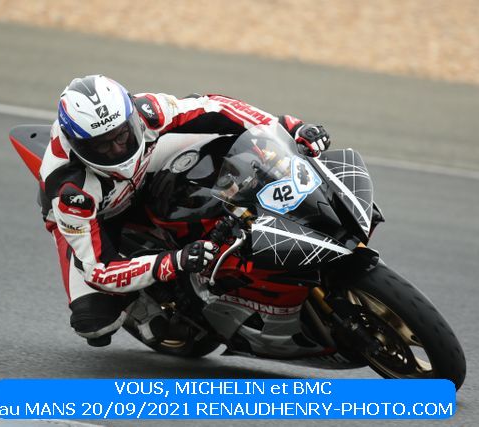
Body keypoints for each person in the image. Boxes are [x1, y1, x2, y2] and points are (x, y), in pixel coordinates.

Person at [40, 74, 330, 347]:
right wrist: (174, 261)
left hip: (146, 166)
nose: (117, 149)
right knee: (94, 323)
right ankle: (142, 307)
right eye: (102, 145)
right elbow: (99, 271)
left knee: (224, 140)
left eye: (121, 135)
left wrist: (288, 127)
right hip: (102, 214)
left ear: (131, 119)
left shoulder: (146, 111)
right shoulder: (71, 191)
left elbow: (215, 107)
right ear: (78, 144)